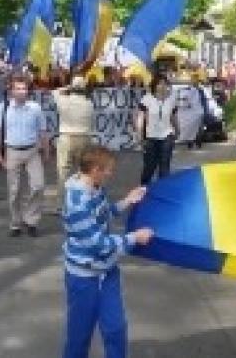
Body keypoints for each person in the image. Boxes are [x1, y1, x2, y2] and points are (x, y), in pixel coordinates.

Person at [62, 145, 153, 358]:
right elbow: (98, 243)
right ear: (95, 169)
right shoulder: (77, 203)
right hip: (83, 279)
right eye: (109, 169)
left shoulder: (95, 186)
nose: (111, 174)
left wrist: (127, 201)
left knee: (116, 329)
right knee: (79, 336)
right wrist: (135, 238)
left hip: (108, 271)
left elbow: (103, 214)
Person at [0, 74, 50, 236]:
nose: (21, 92)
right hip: (12, 151)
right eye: (17, 88)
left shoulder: (35, 108)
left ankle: (31, 220)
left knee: (38, 185)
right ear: (11, 90)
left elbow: (43, 130)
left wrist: (46, 151)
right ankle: (15, 223)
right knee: (14, 190)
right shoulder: (3, 107)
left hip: (32, 151)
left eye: (24, 88)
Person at [54, 75, 96, 200]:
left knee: (63, 172)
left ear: (72, 87)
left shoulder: (62, 100)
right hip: (84, 137)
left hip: (66, 137)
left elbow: (55, 91)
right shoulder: (89, 103)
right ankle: (83, 199)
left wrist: (69, 87)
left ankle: (62, 203)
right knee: (83, 171)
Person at [136, 75, 178, 185]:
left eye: (165, 83)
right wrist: (140, 135)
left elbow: (173, 117)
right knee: (149, 167)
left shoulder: (171, 100)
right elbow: (141, 118)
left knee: (164, 168)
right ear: (155, 85)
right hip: (151, 137)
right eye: (160, 83)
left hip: (167, 136)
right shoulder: (147, 99)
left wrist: (177, 130)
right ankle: (143, 190)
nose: (163, 86)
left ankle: (162, 191)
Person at [175, 75, 207, 151]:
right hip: (191, 113)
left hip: (199, 112)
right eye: (193, 81)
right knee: (191, 128)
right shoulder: (187, 90)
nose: (195, 82)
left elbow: (204, 102)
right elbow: (184, 101)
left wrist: (204, 111)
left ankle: (198, 142)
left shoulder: (200, 91)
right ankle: (190, 143)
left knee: (199, 128)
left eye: (196, 81)